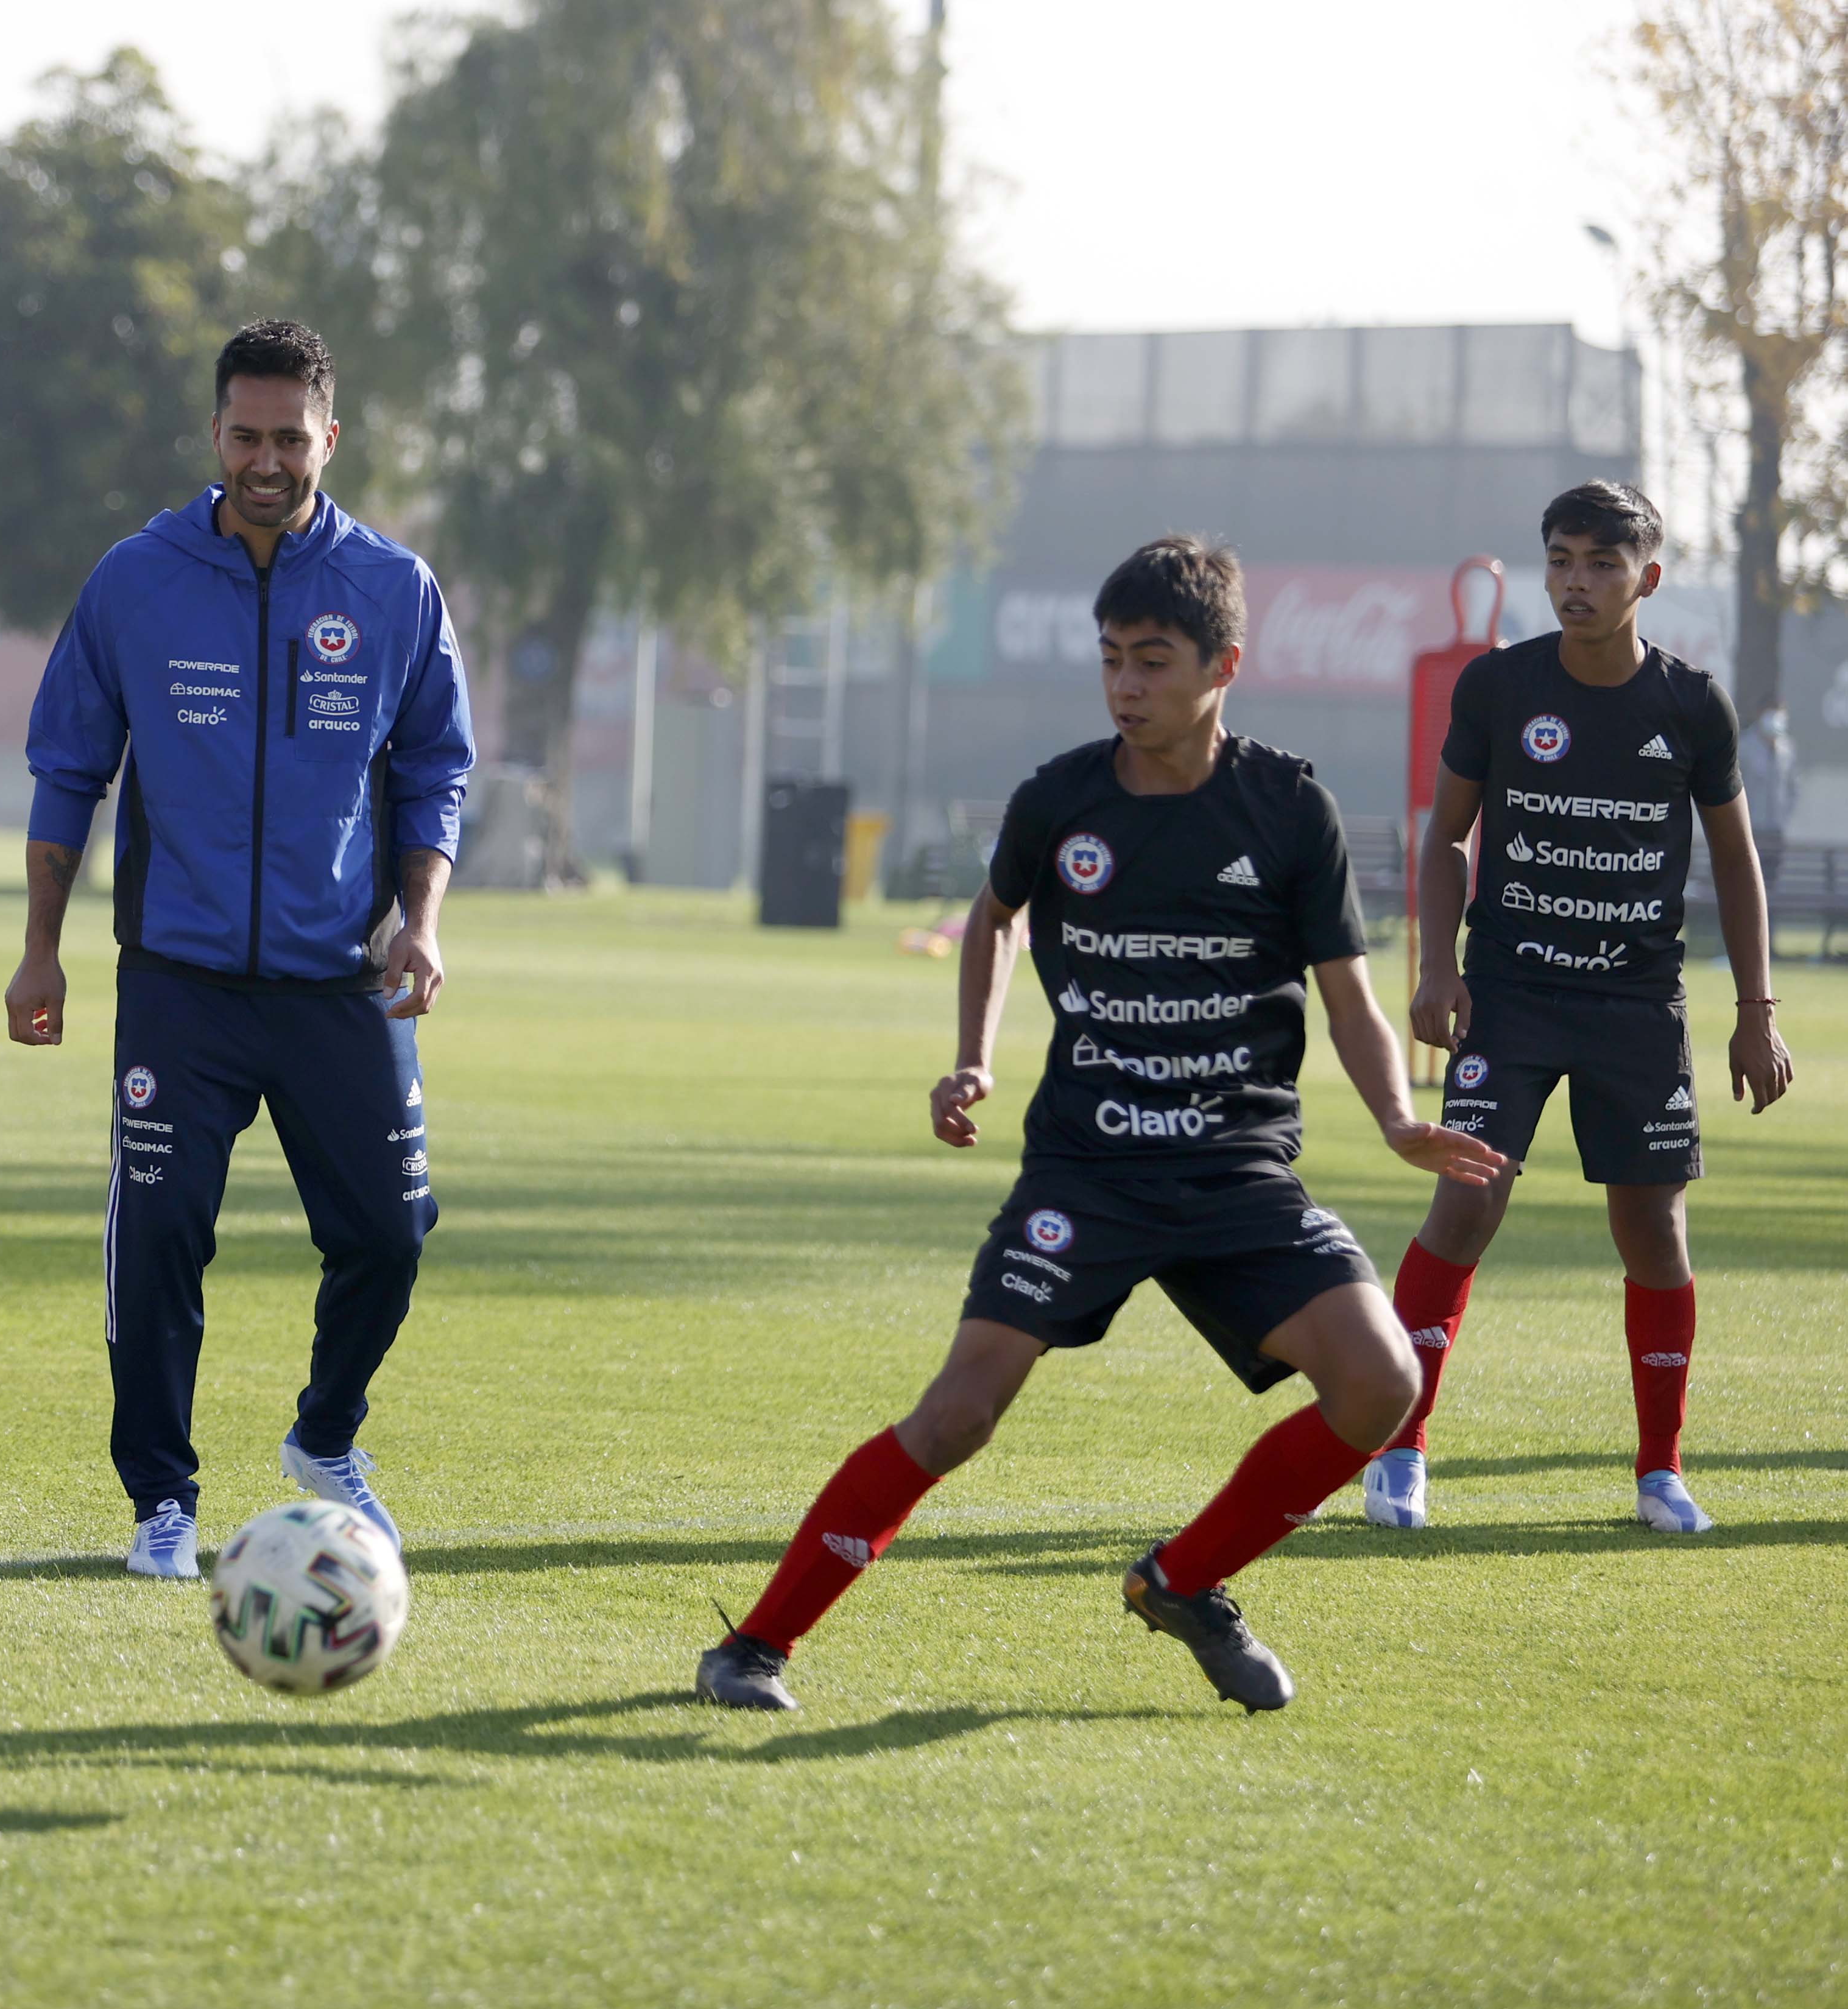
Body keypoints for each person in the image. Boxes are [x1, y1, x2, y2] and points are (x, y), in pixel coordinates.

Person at [697, 537, 1504, 1716]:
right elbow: (993, 919)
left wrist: (1395, 1116)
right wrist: (974, 1052)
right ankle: (753, 1647)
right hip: (1090, 1168)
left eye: (1154, 661)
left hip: (1236, 1171)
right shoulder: (1061, 797)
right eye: (1113, 659)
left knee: (1383, 1383)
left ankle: (1183, 1581)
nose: (1127, 685)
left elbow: (1348, 994)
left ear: (1225, 663)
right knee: (960, 1411)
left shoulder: (1287, 806)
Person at [7, 318, 474, 1578]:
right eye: (246, 436)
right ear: (215, 434)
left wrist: (420, 922)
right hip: (179, 985)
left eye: (291, 438)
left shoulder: (392, 590)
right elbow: (70, 767)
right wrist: (41, 949)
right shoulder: (136, 580)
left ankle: (326, 1439)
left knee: (393, 1230)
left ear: (332, 435)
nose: (268, 460)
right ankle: (162, 1503)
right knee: (159, 1238)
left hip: (339, 981)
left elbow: (436, 765)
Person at [1367, 480, 1793, 1536]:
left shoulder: (1690, 705)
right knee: (1464, 1204)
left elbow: (1734, 861)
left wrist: (1755, 1009)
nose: (1576, 582)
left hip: (1637, 1007)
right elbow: (1444, 838)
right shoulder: (1499, 688)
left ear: (1644, 578)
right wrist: (1436, 968)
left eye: (1600, 564)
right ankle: (1400, 1450)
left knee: (1652, 1231)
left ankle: (1660, 1471)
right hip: (1509, 996)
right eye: (1560, 560)